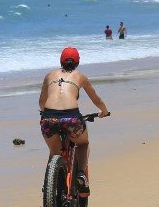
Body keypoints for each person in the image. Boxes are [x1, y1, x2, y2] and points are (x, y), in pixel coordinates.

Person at [39, 47, 110, 196]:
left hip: (48, 118)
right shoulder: (80, 76)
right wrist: (104, 111)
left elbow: (42, 102)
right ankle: (81, 176)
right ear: (78, 62)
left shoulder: (49, 75)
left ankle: (49, 186)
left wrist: (44, 114)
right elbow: (95, 99)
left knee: (54, 151)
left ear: (60, 61)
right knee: (82, 143)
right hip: (71, 118)